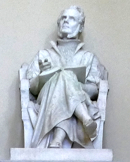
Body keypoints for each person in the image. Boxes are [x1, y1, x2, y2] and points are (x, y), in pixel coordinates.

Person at [25, 6, 103, 148]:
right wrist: (42, 75)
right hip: (47, 99)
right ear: (59, 24)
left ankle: (57, 140)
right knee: (65, 76)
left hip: (76, 99)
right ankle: (85, 119)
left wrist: (73, 86)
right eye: (63, 18)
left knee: (65, 79)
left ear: (80, 27)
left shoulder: (88, 57)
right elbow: (32, 89)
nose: (66, 21)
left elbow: (94, 90)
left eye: (72, 19)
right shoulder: (43, 55)